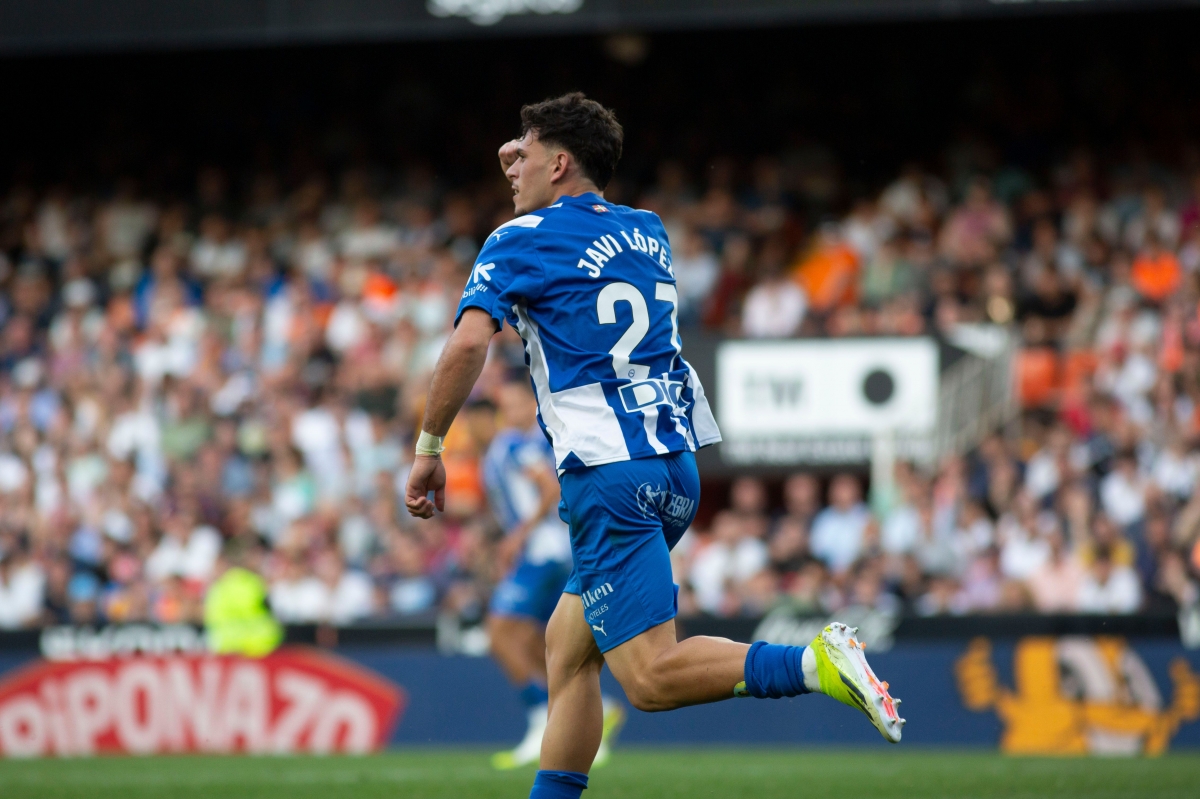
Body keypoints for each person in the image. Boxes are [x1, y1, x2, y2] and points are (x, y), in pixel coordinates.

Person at [405, 93, 904, 799]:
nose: (510, 160)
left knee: (647, 677)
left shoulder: (516, 240)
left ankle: (811, 662)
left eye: (525, 146)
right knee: (568, 649)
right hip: (673, 460)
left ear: (561, 160)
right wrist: (530, 173)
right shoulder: (648, 231)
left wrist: (429, 445)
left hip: (608, 470)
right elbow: (573, 247)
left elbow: (465, 344)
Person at [482, 379, 623, 770]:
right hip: (565, 550)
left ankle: (539, 725)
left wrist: (517, 535)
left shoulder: (516, 443)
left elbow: (547, 487)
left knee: (500, 631)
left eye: (515, 404)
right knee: (549, 644)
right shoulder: (546, 438)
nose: (509, 413)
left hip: (542, 552)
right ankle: (587, 724)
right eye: (504, 406)